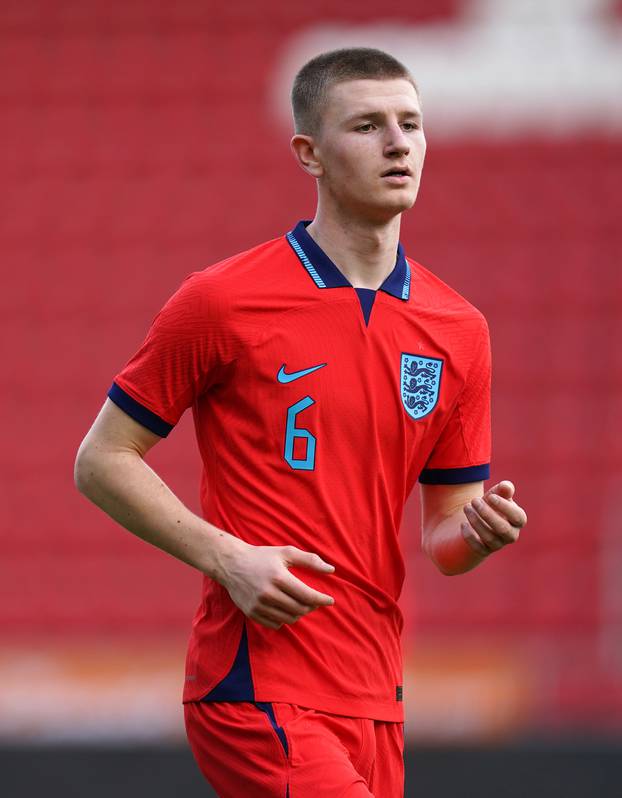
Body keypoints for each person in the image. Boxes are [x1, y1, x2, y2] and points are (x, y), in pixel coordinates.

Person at [74, 48, 527, 798]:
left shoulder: (459, 329)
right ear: (308, 153)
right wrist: (227, 559)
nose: (398, 144)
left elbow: (444, 536)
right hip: (257, 683)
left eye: (411, 124)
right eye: (368, 125)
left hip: (376, 692)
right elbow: (102, 459)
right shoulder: (222, 300)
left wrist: (476, 533)